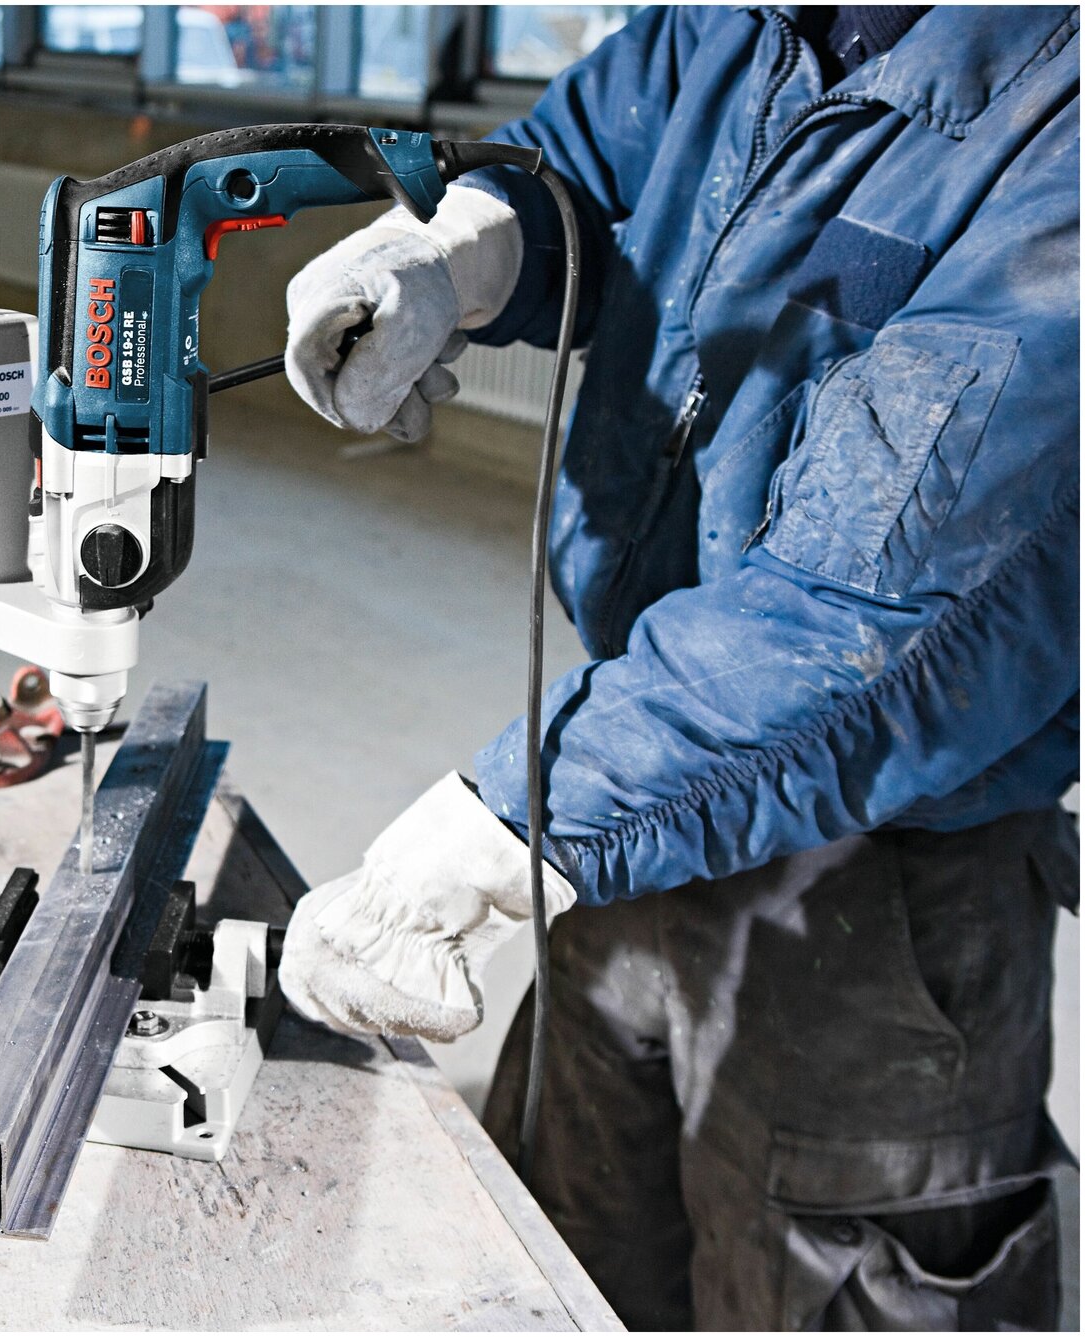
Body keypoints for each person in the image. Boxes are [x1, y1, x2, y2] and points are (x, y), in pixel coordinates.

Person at [277, 6, 1079, 1329]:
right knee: (563, 1261)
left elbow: (871, 621)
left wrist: (507, 825)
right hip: (640, 816)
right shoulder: (739, 21)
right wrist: (462, 250)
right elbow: (588, 163)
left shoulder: (1057, 125)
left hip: (885, 899)